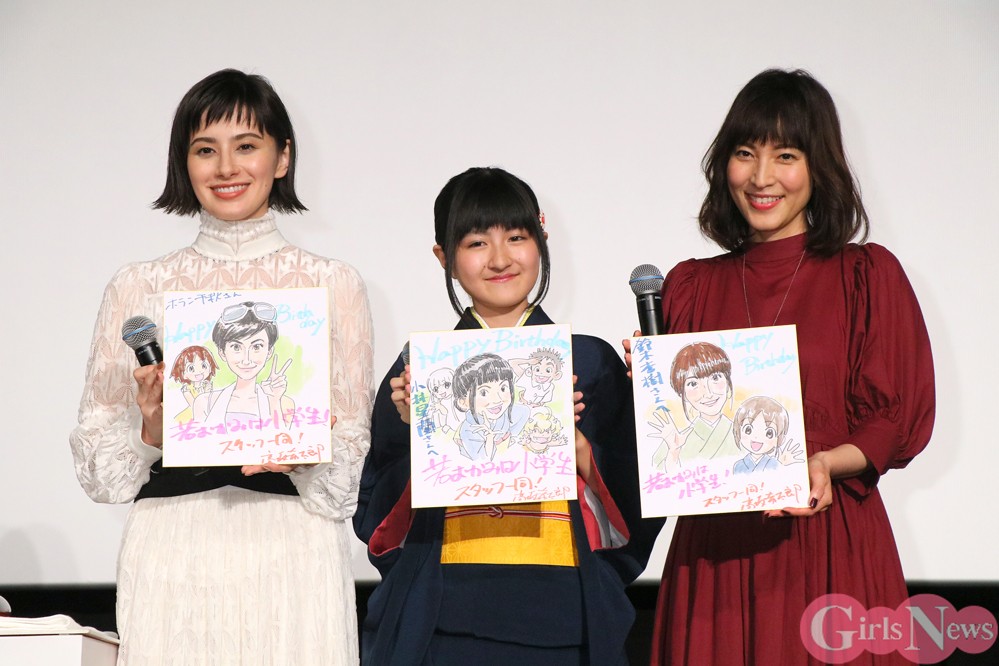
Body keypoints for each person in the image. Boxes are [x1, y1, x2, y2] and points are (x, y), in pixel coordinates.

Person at [69, 69, 373, 665]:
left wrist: (306, 453)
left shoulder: (333, 284)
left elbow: (353, 463)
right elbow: (100, 472)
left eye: (247, 146)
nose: (226, 167)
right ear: (184, 163)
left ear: (282, 157)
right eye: (205, 149)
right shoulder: (138, 286)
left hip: (294, 547)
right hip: (174, 546)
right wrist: (151, 432)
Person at [633, 69, 935, 664]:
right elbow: (678, 441)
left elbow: (894, 420)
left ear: (819, 168)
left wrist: (824, 463)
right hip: (715, 554)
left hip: (829, 540)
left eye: (786, 156)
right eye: (745, 153)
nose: (762, 177)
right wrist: (649, 390)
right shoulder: (691, 286)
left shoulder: (864, 275)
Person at [353, 167, 656, 665]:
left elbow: (639, 502)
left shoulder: (591, 362)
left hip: (564, 607)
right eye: (476, 243)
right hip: (444, 613)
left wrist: (579, 448)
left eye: (516, 237)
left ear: (541, 239)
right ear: (444, 257)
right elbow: (376, 519)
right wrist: (417, 433)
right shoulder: (420, 372)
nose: (499, 259)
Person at [168, 344, 218, 423]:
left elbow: (208, 400)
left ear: (210, 367)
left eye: (204, 365)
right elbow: (193, 405)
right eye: (191, 368)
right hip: (191, 415)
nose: (199, 371)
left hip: (206, 412)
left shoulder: (206, 385)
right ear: (183, 374)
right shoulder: (187, 389)